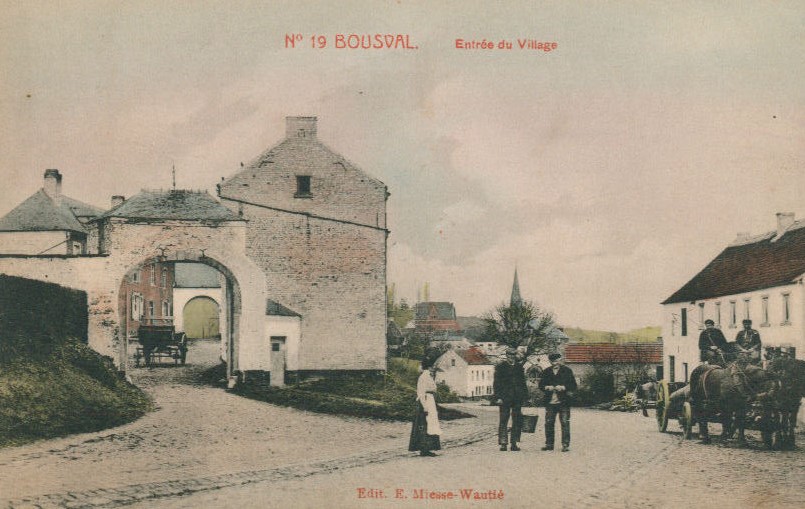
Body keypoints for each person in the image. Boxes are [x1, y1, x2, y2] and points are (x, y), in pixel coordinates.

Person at [539, 353, 577, 452]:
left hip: (563, 401)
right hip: (550, 402)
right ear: (550, 361)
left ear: (560, 360)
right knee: (549, 423)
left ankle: (565, 445)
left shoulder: (567, 371)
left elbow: (573, 385)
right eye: (553, 361)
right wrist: (547, 387)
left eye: (557, 361)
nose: (555, 363)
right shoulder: (546, 371)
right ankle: (549, 444)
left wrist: (564, 387)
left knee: (564, 423)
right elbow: (541, 385)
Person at [493, 348, 528, 451]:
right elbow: (496, 383)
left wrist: (526, 397)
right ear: (506, 355)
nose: (511, 357)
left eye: (513, 355)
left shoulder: (519, 367)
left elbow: (523, 383)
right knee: (503, 420)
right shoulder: (500, 367)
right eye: (509, 355)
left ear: (515, 356)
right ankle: (503, 443)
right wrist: (498, 397)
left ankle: (514, 443)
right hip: (504, 398)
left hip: (517, 398)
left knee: (517, 421)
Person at [408, 357, 442, 457]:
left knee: (430, 424)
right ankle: (424, 448)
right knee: (424, 425)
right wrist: (425, 406)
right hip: (426, 401)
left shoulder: (428, 376)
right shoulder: (424, 377)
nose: (433, 368)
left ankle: (427, 448)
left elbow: (433, 389)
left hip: (430, 400)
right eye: (432, 366)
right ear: (429, 367)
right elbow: (421, 392)